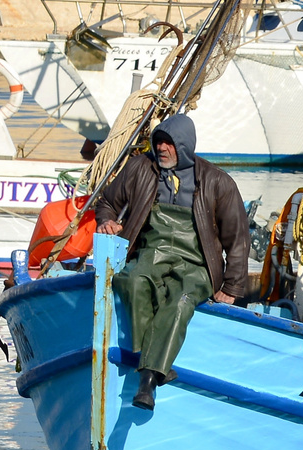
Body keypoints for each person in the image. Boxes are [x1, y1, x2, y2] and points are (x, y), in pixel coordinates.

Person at [94, 114, 249, 409]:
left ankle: (147, 380)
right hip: (151, 252)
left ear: (185, 145)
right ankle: (156, 364)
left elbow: (238, 238)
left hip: (197, 263)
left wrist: (232, 287)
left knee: (181, 300)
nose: (162, 148)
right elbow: (108, 203)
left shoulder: (218, 182)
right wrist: (106, 221)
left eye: (169, 143)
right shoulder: (140, 168)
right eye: (159, 142)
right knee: (132, 281)